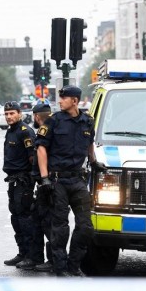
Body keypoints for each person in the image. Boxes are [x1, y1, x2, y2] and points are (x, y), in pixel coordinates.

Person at [35, 85, 107, 277]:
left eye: (64, 98)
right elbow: (41, 148)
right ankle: (60, 268)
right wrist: (44, 179)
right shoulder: (53, 121)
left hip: (78, 180)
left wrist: (94, 162)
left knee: (85, 227)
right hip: (57, 181)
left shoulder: (87, 121)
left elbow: (89, 143)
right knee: (60, 228)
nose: (60, 101)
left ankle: (74, 266)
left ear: (74, 101)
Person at [0, 101, 36, 268]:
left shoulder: (25, 132)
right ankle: (22, 253)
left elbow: (33, 159)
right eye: (6, 114)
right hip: (13, 181)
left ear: (20, 114)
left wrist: (31, 181)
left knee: (25, 219)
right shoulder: (11, 131)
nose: (9, 116)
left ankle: (30, 256)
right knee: (16, 217)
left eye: (12, 113)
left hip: (24, 181)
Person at [25, 101, 54, 272]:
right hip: (42, 185)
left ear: (36, 116)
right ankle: (36, 258)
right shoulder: (51, 131)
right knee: (36, 221)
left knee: (50, 224)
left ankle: (52, 260)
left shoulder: (47, 133)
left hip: (48, 185)